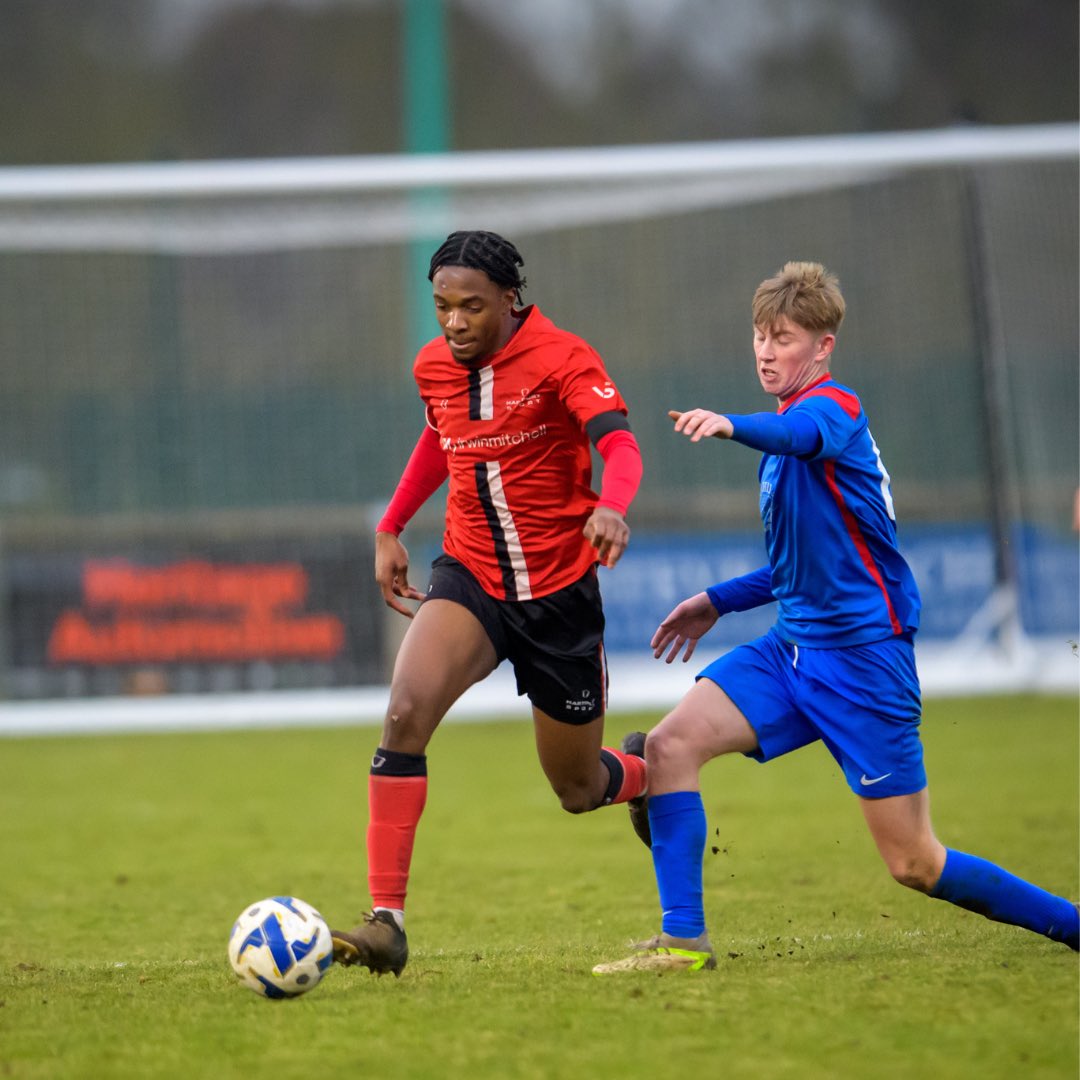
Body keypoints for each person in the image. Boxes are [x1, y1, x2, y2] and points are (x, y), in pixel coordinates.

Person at [594, 261, 1079, 973]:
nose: (766, 352)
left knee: (915, 863)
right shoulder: (784, 438)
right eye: (759, 336)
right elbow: (802, 566)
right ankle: (682, 941)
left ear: (823, 347)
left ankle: (1073, 925)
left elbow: (799, 435)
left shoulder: (833, 412)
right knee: (668, 746)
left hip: (863, 663)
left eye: (783, 338)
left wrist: (731, 425)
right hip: (789, 650)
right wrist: (715, 601)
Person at [331, 230, 647, 976]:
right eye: (442, 305)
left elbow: (620, 444)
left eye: (471, 306)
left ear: (510, 299)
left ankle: (644, 771)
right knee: (404, 714)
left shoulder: (565, 358)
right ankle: (386, 923)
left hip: (559, 596)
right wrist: (390, 525)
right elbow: (440, 440)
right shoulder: (433, 366)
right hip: (471, 576)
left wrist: (612, 506)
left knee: (578, 789)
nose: (454, 321)